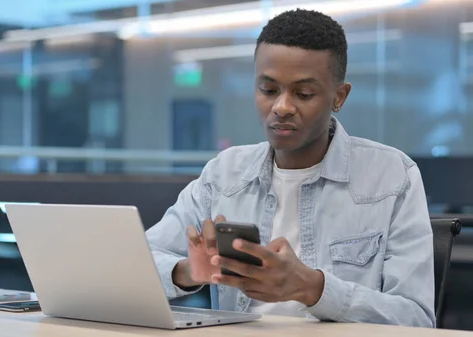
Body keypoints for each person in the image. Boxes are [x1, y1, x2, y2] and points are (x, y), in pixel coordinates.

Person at [145, 8, 435, 327]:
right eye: (268, 90)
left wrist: (314, 288)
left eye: (304, 93)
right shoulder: (224, 174)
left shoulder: (392, 176)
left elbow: (417, 319)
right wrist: (186, 271)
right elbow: (137, 264)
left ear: (339, 96)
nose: (282, 107)